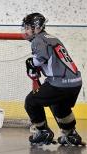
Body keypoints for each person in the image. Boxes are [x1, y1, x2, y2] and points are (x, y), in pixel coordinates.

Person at [22, 13, 85, 146]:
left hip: (59, 83)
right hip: (75, 82)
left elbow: (40, 59)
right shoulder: (52, 38)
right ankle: (71, 134)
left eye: (28, 27)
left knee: (31, 101)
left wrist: (31, 63)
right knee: (59, 105)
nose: (25, 31)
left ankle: (43, 131)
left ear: (37, 28)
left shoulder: (38, 39)